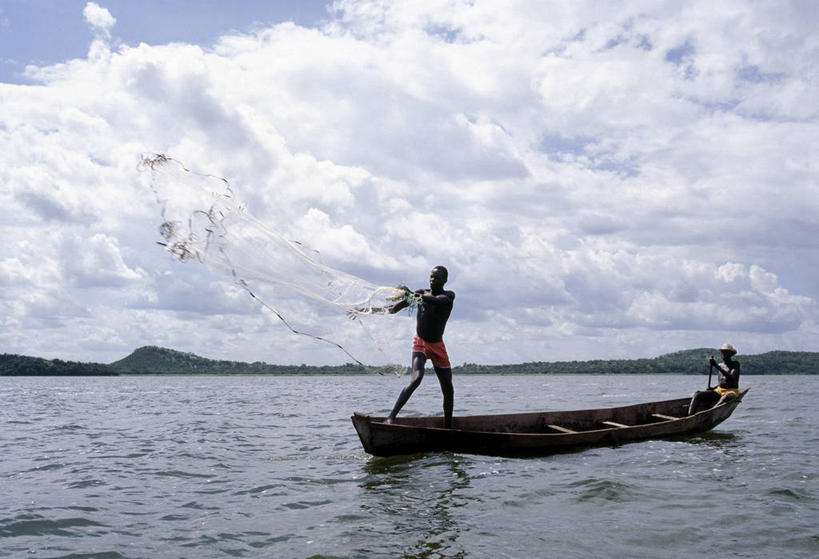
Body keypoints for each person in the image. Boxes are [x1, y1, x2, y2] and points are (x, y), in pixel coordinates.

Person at [385, 266, 455, 428]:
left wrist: (412, 294)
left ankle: (448, 427)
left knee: (448, 389)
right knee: (416, 378)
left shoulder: (449, 296)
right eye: (431, 277)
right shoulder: (421, 294)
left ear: (444, 280)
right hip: (421, 342)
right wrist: (366, 310)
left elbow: (437, 301)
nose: (433, 280)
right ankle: (391, 417)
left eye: (437, 278)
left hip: (438, 345)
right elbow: (394, 309)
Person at [688, 343, 741, 415]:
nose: (723, 354)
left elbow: (731, 378)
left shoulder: (735, 364)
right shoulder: (720, 365)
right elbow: (722, 382)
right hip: (719, 391)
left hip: (731, 391)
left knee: (726, 397)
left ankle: (710, 413)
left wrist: (716, 366)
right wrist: (713, 388)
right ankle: (689, 415)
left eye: (725, 352)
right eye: (722, 352)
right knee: (698, 394)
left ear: (731, 354)